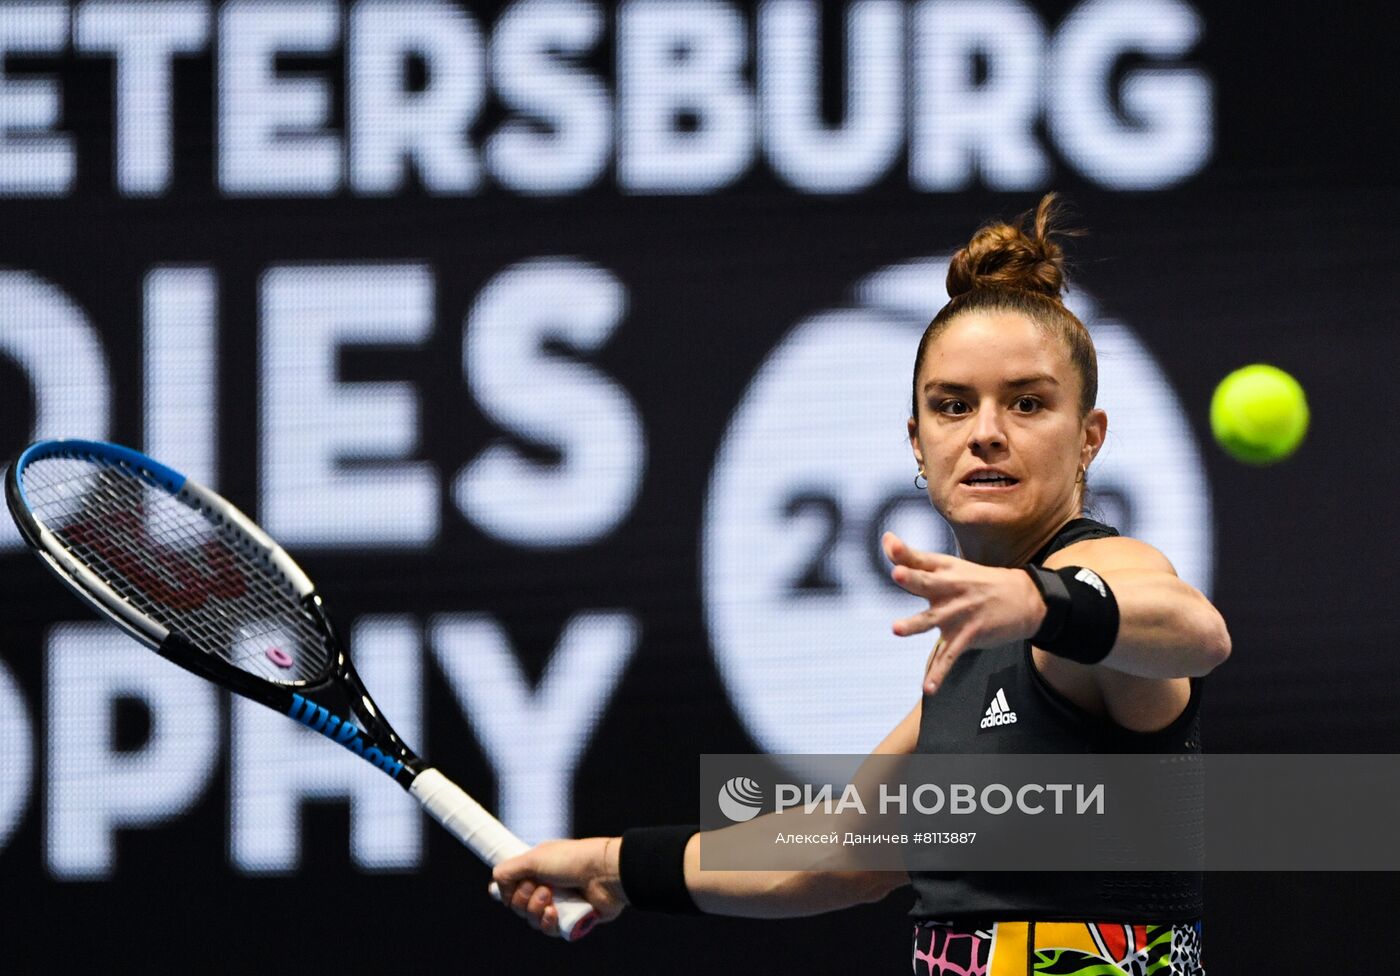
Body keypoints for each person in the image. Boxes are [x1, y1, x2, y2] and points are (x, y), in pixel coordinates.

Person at [491, 195, 1231, 974]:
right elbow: (837, 852)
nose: (986, 430)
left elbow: (1194, 630)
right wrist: (610, 866)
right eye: (952, 405)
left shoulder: (1093, 582)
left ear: (1089, 438)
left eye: (1027, 402)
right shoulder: (970, 662)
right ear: (918, 441)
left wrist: (1038, 601)